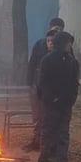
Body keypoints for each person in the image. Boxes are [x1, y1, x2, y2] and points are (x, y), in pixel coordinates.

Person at [36, 31, 80, 162]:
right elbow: (43, 82)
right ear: (62, 43)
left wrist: (70, 99)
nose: (69, 46)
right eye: (68, 43)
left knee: (59, 133)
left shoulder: (71, 61)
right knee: (50, 132)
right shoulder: (48, 60)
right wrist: (51, 98)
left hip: (63, 104)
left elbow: (74, 84)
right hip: (53, 104)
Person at [25, 17, 64, 151]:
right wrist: (29, 83)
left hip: (53, 90)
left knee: (50, 118)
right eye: (53, 29)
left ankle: (49, 144)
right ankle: (36, 141)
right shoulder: (39, 45)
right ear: (49, 28)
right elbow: (32, 63)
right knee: (37, 116)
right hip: (36, 87)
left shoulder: (64, 50)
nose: (55, 34)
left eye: (58, 30)